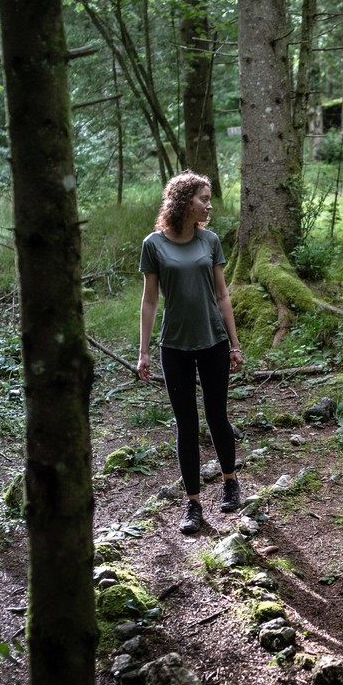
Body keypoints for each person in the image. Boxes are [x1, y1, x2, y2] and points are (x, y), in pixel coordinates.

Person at [137, 171, 244, 534]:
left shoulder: (210, 240)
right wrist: (144, 352)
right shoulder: (154, 244)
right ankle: (193, 503)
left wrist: (235, 343)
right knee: (186, 425)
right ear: (183, 201)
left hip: (213, 342)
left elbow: (222, 295)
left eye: (208, 197)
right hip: (174, 347)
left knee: (217, 416)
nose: (208, 204)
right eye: (203, 198)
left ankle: (230, 481)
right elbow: (150, 301)